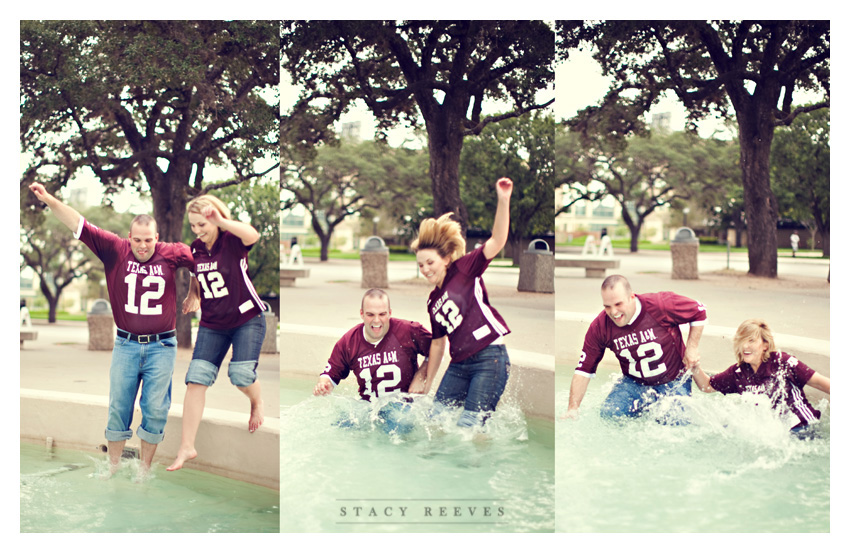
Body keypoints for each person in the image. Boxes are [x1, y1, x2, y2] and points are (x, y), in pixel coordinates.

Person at [29, 183, 194, 475]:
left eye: (148, 240)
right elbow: (78, 223)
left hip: (162, 346)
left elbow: (204, 262)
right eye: (138, 240)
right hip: (126, 345)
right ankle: (113, 468)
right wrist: (49, 200)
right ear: (129, 238)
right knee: (119, 408)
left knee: (156, 409)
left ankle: (143, 471)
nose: (143, 246)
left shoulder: (171, 253)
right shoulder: (115, 250)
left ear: (157, 238)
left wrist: (196, 293)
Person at [168, 194, 267, 471]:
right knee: (196, 380)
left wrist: (222, 221)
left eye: (203, 224)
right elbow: (197, 275)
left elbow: (253, 235)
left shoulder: (232, 241)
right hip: (213, 323)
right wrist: (192, 295)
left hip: (247, 317)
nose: (198, 230)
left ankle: (257, 401)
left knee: (240, 375)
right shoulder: (196, 248)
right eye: (194, 225)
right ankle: (187, 447)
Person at [411, 177, 513, 428]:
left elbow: (497, 241)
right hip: (459, 364)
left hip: (490, 357)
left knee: (470, 426)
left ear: (445, 259)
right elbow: (437, 344)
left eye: (430, 263)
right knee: (434, 421)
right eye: (420, 265)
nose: (425, 269)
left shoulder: (465, 268)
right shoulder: (433, 301)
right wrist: (427, 383)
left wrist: (503, 200)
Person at [565, 275, 706, 420]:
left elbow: (699, 311)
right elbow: (583, 370)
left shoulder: (660, 304)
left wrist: (692, 347)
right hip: (634, 382)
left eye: (618, 304)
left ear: (631, 297)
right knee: (610, 414)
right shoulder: (600, 326)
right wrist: (573, 409)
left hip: (673, 379)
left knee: (674, 421)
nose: (613, 312)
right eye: (607, 306)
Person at [691, 318, 830, 436]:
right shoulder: (738, 372)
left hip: (804, 427)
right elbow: (707, 386)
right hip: (778, 434)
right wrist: (694, 367)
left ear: (765, 345)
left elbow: (819, 382)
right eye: (742, 340)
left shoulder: (782, 362)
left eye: (751, 340)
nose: (745, 345)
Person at [313, 289, 434, 400]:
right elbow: (329, 375)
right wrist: (324, 385)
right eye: (370, 314)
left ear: (389, 313)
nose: (376, 320)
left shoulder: (409, 331)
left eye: (382, 314)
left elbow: (436, 350)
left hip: (404, 407)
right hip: (368, 408)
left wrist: (421, 375)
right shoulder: (349, 341)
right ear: (362, 314)